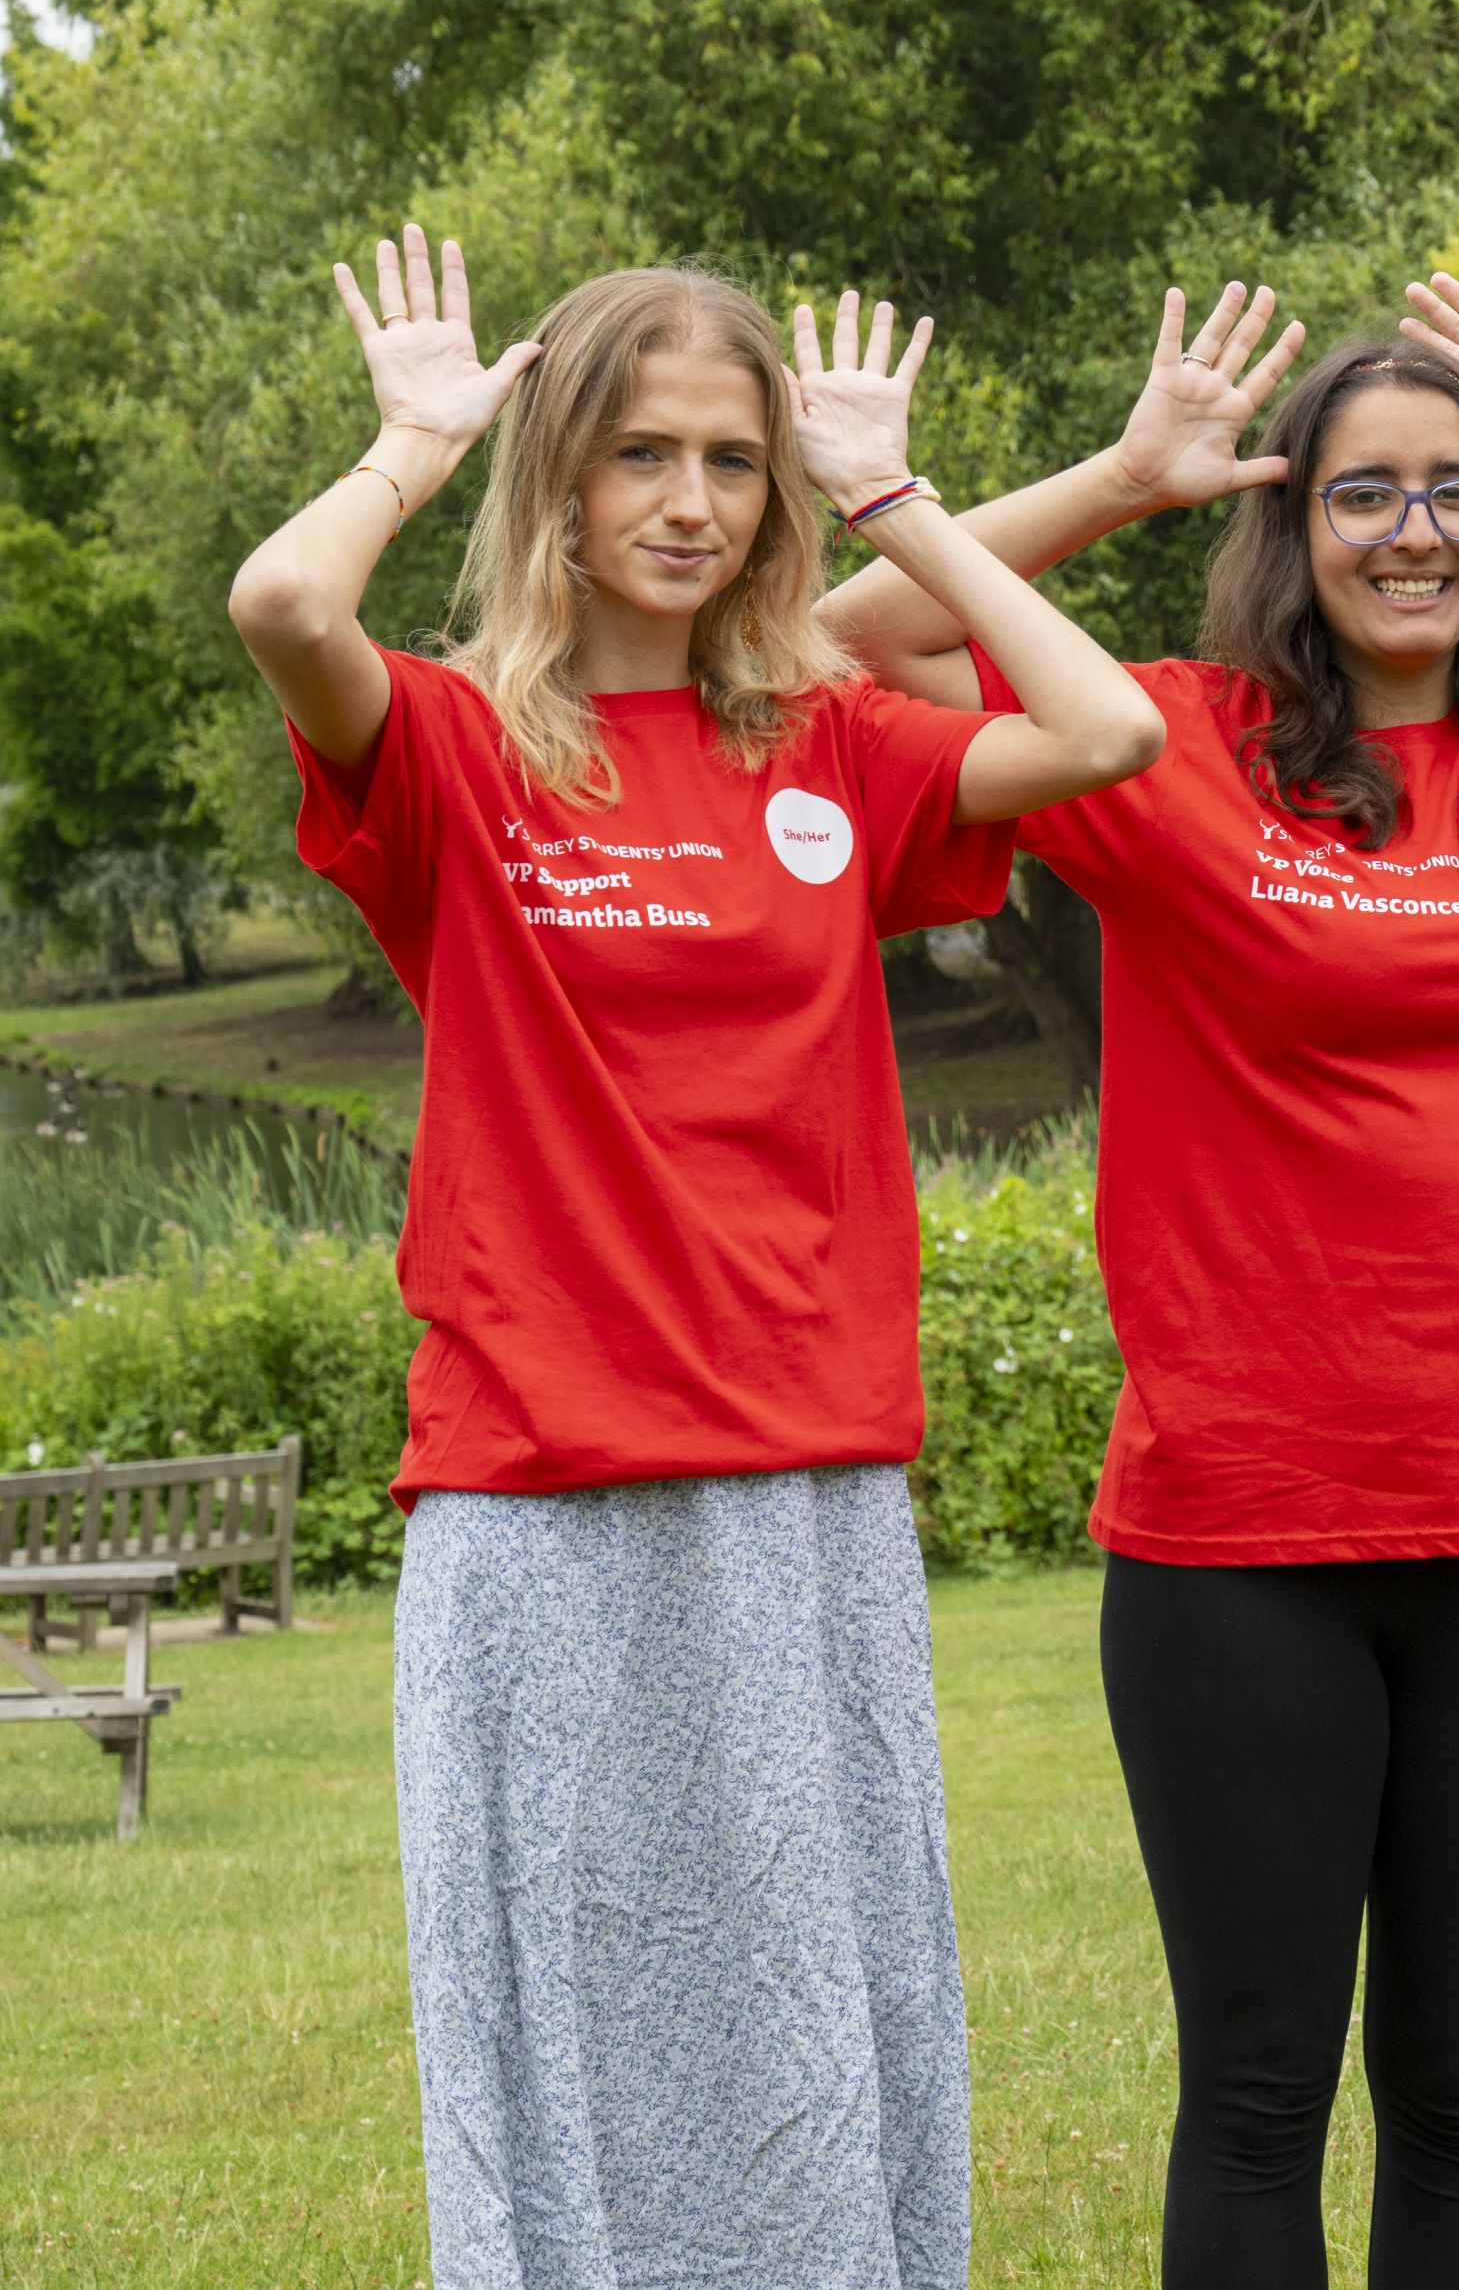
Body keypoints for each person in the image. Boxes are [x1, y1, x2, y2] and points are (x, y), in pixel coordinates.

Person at [815, 269, 1459, 2287]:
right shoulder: (1168, 749)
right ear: (1293, 526)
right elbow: (839, 643)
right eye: (1362, 493)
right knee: (1256, 2087)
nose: (1416, 530)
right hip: (1238, 1538)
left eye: (1456, 489)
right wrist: (1121, 475)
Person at [230, 231, 1166, 2290]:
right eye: (638, 451)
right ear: (558, 478)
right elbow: (287, 600)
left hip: (801, 1471)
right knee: (560, 2016)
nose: (686, 499)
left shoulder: (824, 743)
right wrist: (409, 442)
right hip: (537, 1481)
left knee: (819, 2011)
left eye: (732, 460)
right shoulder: (459, 754)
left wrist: (896, 497)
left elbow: (1103, 735)